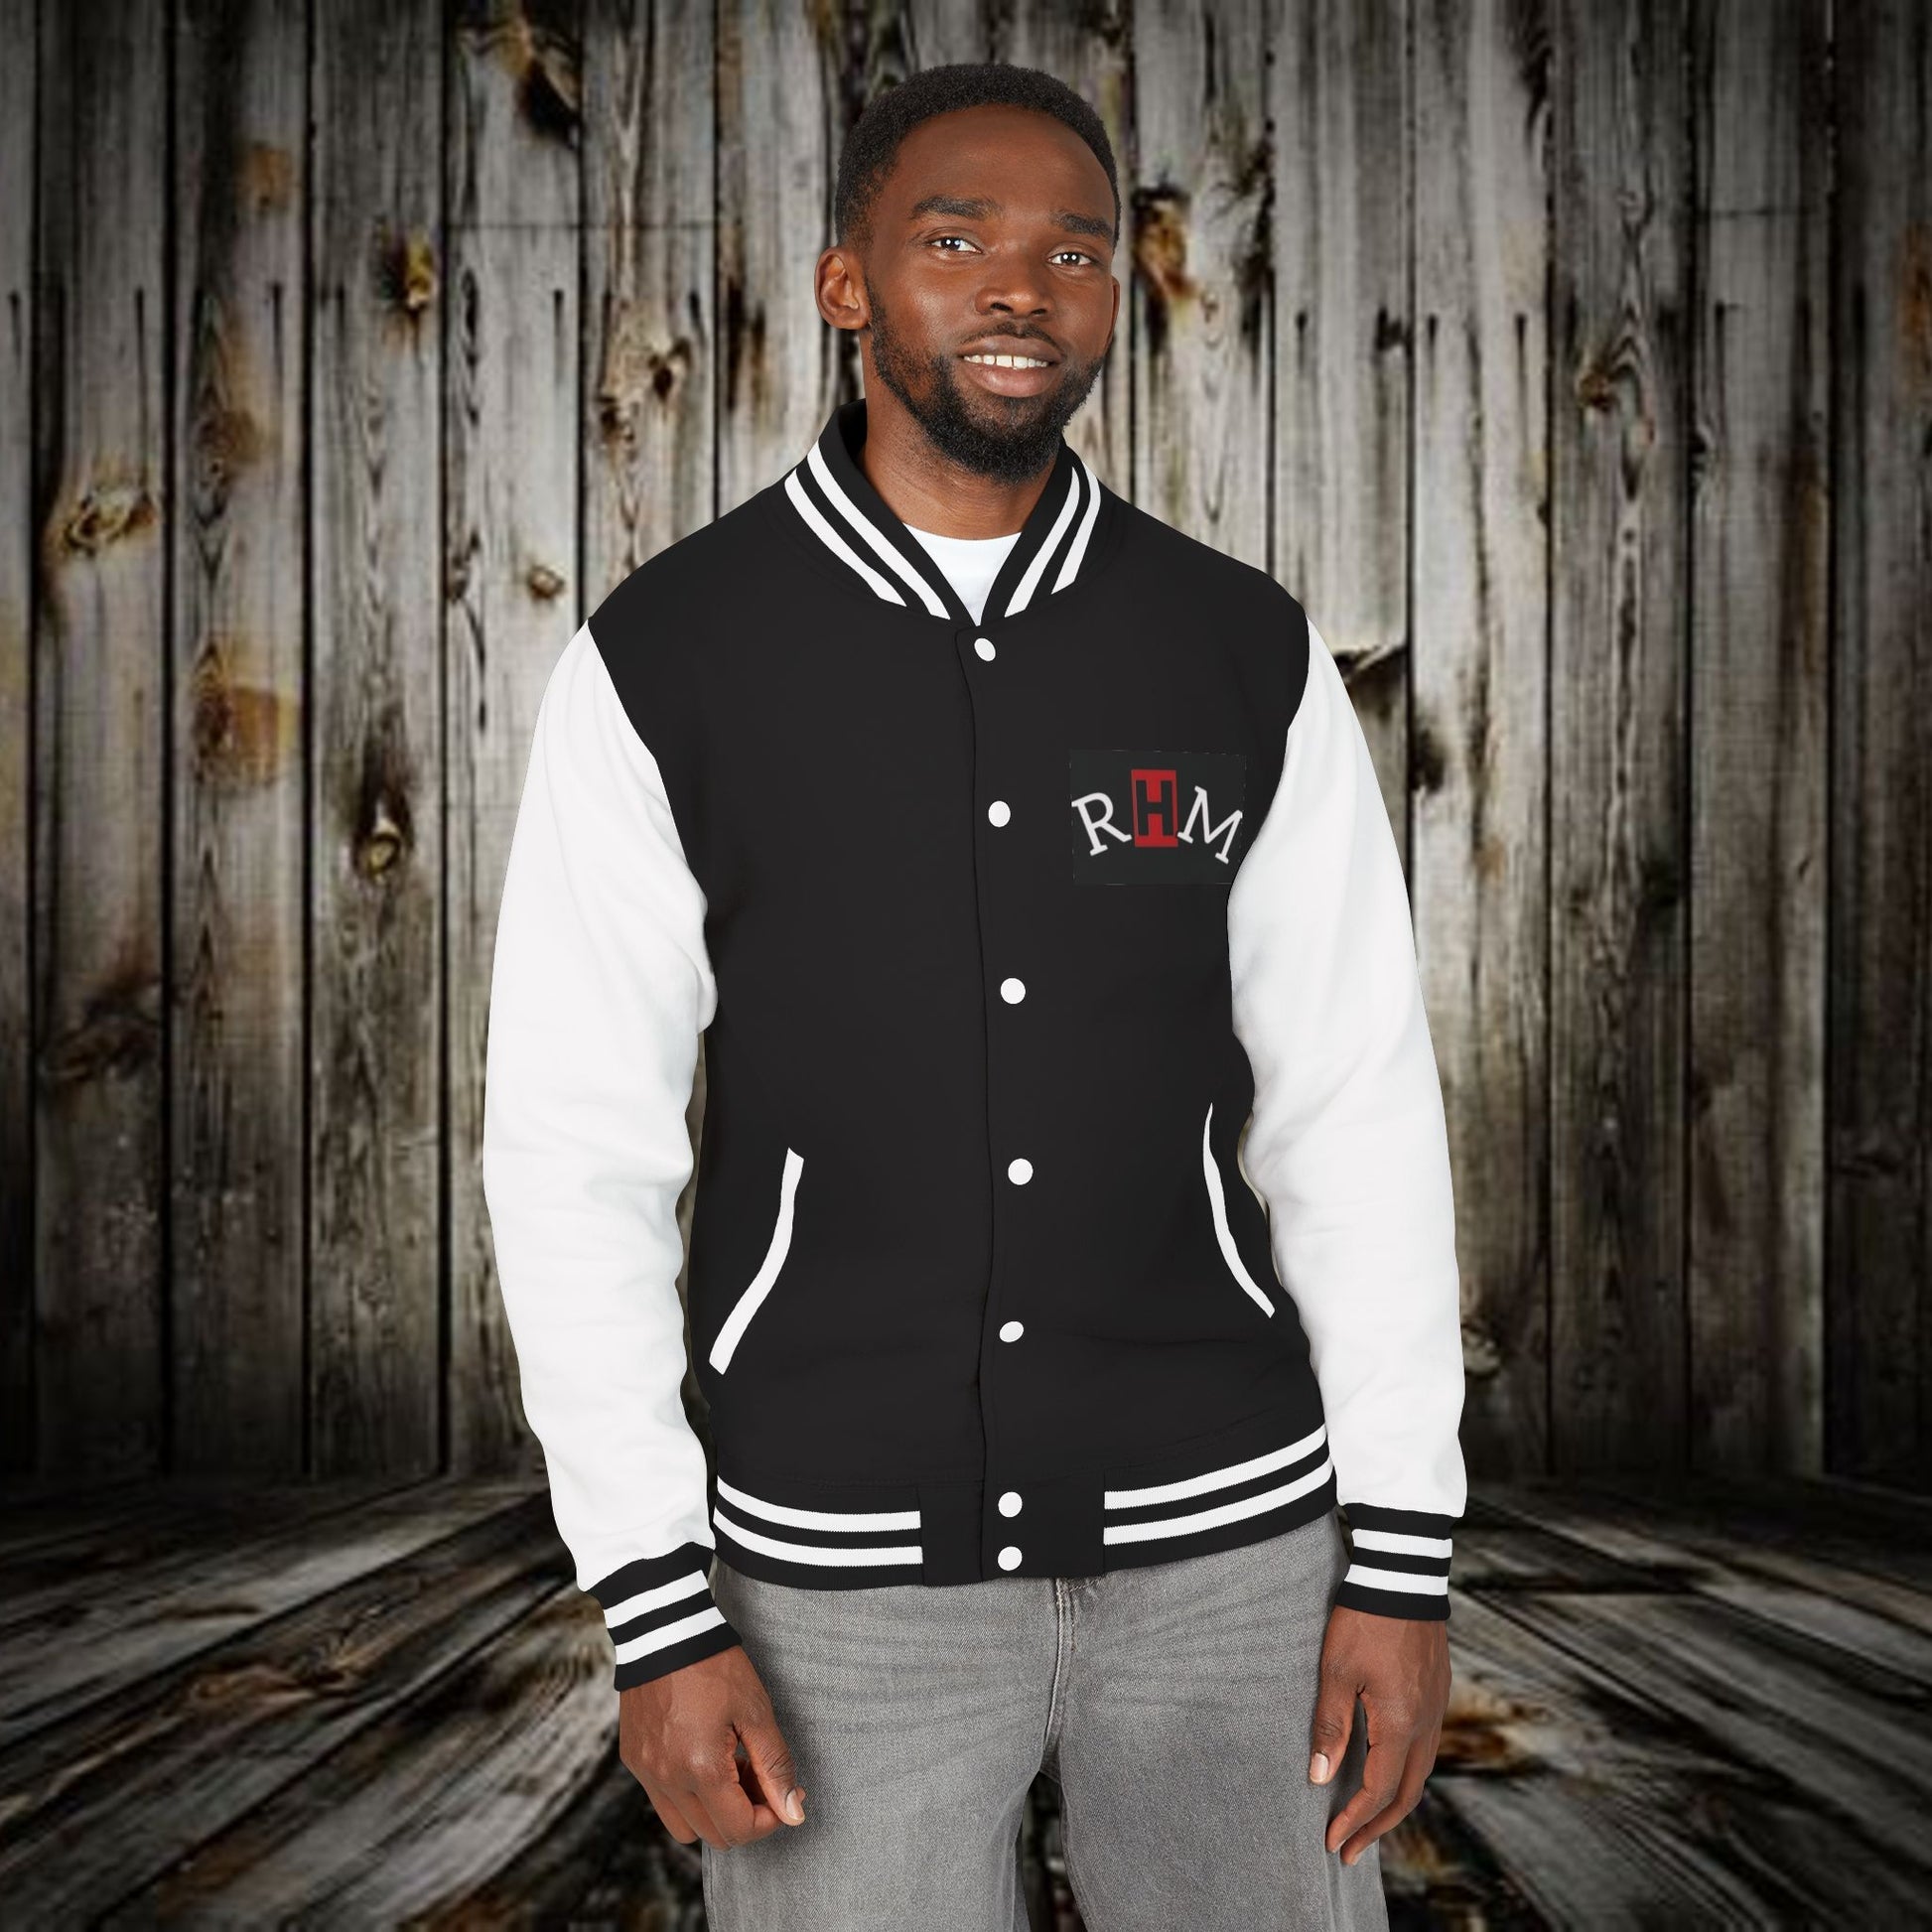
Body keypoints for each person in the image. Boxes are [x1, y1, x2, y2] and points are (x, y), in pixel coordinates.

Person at [482, 60, 1465, 1932]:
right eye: (956, 240)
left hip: (1235, 1552)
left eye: (1074, 252)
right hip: (830, 1578)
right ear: (846, 282)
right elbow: (573, 1153)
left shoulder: (1235, 650)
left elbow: (1352, 1108)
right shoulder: (668, 660)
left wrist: (1400, 1559)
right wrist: (655, 1605)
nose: (1023, 287)